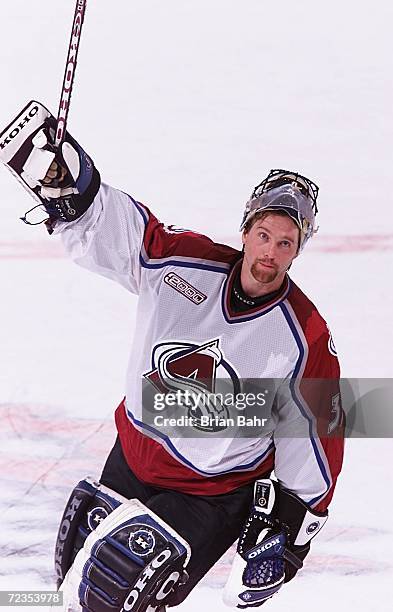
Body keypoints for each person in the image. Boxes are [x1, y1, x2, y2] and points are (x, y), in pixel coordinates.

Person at [0, 102, 344, 611]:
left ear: (299, 249)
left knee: (113, 591)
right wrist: (72, 188)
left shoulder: (304, 336)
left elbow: (318, 433)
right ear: (246, 230)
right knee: (72, 586)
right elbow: (121, 232)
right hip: (133, 458)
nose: (270, 252)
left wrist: (291, 527)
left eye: (286, 243)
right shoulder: (182, 261)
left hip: (210, 494)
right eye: (264, 235)